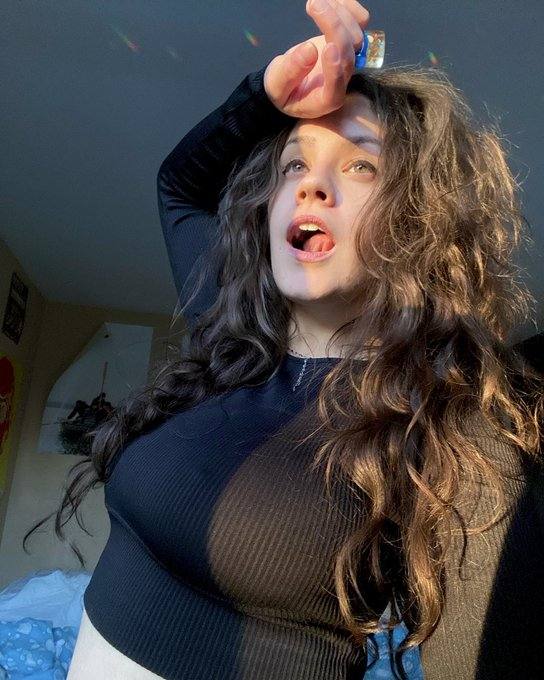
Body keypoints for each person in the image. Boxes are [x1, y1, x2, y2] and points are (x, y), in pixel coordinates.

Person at [24, 0, 544, 678]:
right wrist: (267, 99)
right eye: (295, 165)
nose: (312, 187)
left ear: (418, 220)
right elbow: (180, 185)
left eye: (361, 167)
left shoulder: (449, 426)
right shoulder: (232, 337)